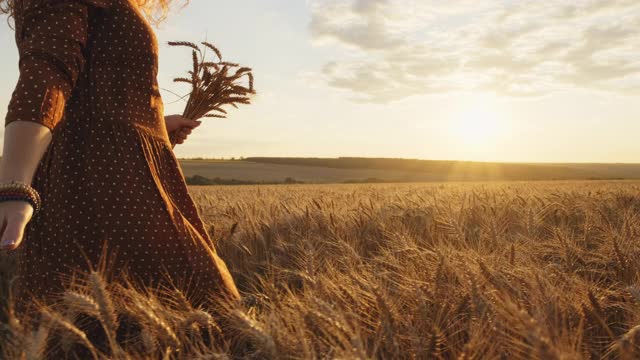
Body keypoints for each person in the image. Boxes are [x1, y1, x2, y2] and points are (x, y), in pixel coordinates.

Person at [0, 0, 241, 313]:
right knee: (201, 307)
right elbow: (46, 75)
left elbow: (96, 92)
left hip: (121, 174)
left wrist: (157, 128)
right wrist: (15, 185)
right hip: (101, 185)